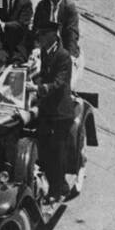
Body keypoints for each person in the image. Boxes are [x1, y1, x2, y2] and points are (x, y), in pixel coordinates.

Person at [33, 26, 77, 202]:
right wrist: (35, 80)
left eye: (43, 34)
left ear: (53, 35)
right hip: (48, 110)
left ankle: (56, 192)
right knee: (44, 150)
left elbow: (59, 83)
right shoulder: (45, 52)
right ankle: (60, 185)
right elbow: (45, 74)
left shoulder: (63, 55)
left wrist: (39, 88)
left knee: (58, 153)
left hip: (60, 112)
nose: (40, 38)